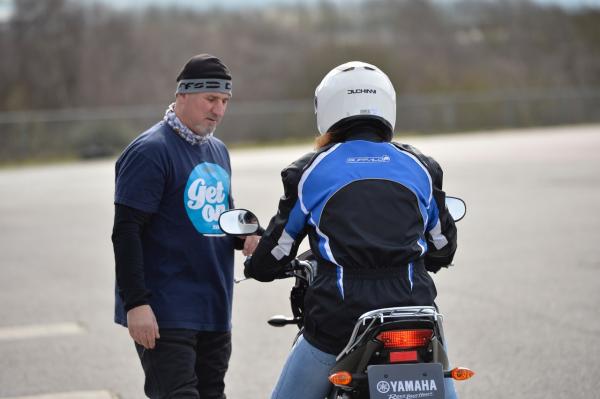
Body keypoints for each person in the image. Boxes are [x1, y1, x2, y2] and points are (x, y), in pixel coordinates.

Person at [244, 61, 459, 399]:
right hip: (414, 312)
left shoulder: (308, 171)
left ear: (326, 108)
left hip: (339, 318)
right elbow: (443, 246)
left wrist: (258, 267)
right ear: (387, 105)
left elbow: (278, 249)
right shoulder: (422, 167)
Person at [111, 54, 258, 399]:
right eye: (210, 99)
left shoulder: (218, 151)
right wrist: (136, 304)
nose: (218, 110)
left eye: (224, 101)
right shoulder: (150, 151)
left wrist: (250, 233)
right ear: (182, 96)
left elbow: (222, 217)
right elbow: (126, 231)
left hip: (214, 308)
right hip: (166, 311)